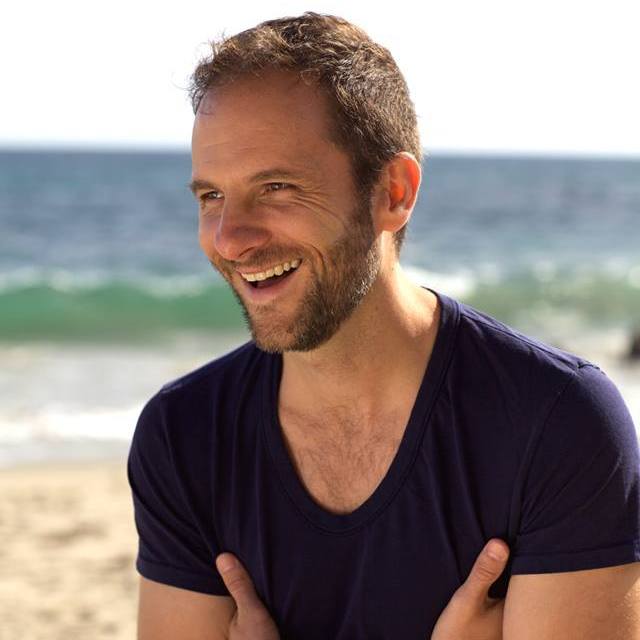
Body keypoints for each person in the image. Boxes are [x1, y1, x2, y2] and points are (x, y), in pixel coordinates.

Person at [127, 12, 640, 639]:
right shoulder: (183, 437)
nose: (230, 238)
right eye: (212, 196)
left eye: (277, 187)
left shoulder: (556, 421)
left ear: (393, 192)